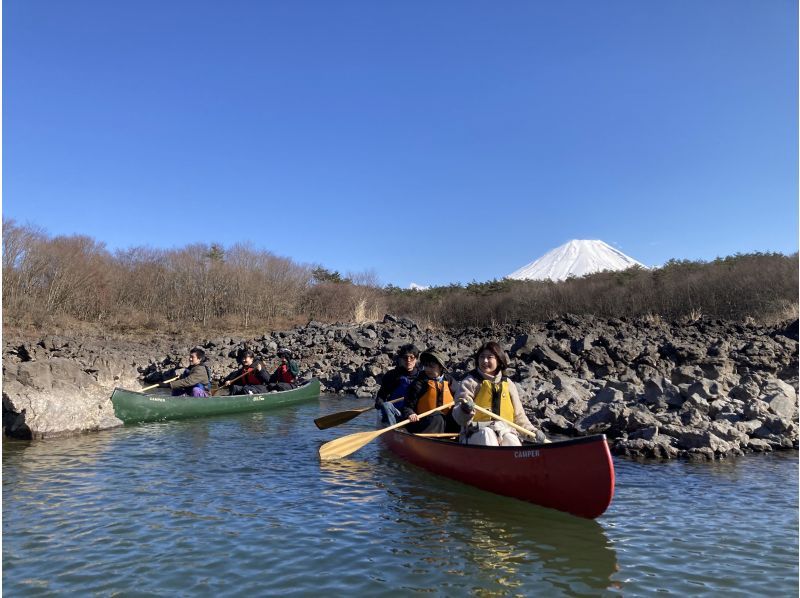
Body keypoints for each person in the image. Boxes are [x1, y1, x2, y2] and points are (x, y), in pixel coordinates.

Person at [453, 341, 546, 446]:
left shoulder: (508, 384)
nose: (484, 361)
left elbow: (519, 416)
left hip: (503, 430)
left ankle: (514, 461)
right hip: (474, 432)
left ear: (499, 360)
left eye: (489, 357)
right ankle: (492, 460)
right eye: (482, 357)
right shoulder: (470, 382)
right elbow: (457, 415)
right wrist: (464, 409)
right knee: (487, 434)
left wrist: (532, 432)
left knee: (511, 438)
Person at [400, 349, 459, 435]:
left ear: (440, 367)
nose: (427, 369)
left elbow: (461, 397)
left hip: (446, 425)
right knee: (438, 416)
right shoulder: (418, 383)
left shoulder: (450, 381)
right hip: (422, 424)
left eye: (432, 366)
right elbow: (407, 406)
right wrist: (410, 413)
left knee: (458, 412)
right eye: (426, 366)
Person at [374, 344, 420, 425]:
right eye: (405, 357)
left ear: (416, 359)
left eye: (411, 357)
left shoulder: (422, 376)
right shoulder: (392, 375)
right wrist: (379, 402)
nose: (408, 360)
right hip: (396, 412)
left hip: (415, 414)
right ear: (401, 359)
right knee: (386, 405)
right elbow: (382, 394)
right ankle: (393, 427)